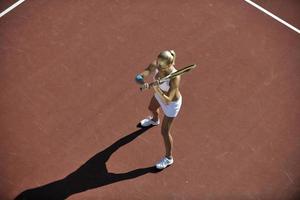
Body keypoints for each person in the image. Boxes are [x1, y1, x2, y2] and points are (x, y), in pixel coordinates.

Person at [135, 50, 182, 170]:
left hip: (172, 104)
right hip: (159, 95)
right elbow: (140, 76)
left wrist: (156, 88)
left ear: (169, 65)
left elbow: (168, 99)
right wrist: (142, 82)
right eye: (158, 65)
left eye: (161, 67)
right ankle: (155, 120)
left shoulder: (175, 77)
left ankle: (168, 158)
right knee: (151, 108)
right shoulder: (156, 64)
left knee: (165, 132)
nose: (158, 68)